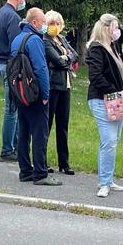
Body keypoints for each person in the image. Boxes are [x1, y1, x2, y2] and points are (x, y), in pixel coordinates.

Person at [11, 8, 61, 186]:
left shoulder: (17, 39)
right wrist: (45, 94)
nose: (45, 25)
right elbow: (41, 69)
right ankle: (40, 173)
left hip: (20, 92)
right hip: (34, 93)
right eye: (43, 22)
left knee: (23, 132)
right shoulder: (35, 40)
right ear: (34, 22)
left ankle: (25, 170)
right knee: (40, 133)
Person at [86, 13, 123, 198]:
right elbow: (96, 77)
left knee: (113, 140)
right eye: (115, 27)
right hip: (101, 99)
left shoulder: (113, 46)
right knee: (109, 140)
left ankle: (108, 179)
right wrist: (116, 91)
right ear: (106, 28)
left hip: (116, 99)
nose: (117, 31)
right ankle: (104, 182)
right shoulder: (97, 49)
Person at [0, 0, 29, 162]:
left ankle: (13, 146)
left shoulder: (0, 14)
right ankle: (8, 149)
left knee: (12, 107)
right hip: (10, 64)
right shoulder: (13, 17)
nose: (25, 3)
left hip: (1, 62)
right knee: (12, 109)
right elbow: (16, 45)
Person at [43, 10, 78, 175]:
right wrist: (65, 59)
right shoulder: (45, 41)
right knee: (47, 124)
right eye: (52, 23)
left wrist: (66, 59)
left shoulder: (62, 39)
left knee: (63, 125)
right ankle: (42, 161)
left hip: (66, 86)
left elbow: (75, 54)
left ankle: (64, 163)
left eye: (57, 23)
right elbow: (57, 61)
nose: (55, 26)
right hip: (53, 86)